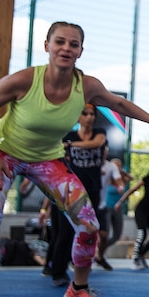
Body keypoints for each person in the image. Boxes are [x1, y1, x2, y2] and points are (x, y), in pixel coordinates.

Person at [0, 21, 149, 297]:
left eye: (73, 44)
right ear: (47, 46)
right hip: (4, 153)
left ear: (81, 50)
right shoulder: (25, 80)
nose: (66, 48)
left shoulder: (86, 86)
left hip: (47, 160)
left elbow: (119, 103)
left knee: (89, 225)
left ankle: (79, 290)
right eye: (59, 42)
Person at [46, 105, 107, 284]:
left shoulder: (99, 133)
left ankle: (80, 270)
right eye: (84, 114)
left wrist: (70, 145)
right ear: (78, 117)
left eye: (92, 114)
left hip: (92, 190)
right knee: (64, 232)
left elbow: (96, 144)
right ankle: (58, 272)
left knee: (88, 230)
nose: (89, 117)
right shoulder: (68, 135)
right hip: (70, 190)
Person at [97, 155, 128, 269]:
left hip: (118, 209)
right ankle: (99, 255)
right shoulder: (107, 175)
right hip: (107, 208)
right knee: (105, 234)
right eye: (116, 166)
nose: (118, 167)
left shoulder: (121, 177)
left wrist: (121, 173)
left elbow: (130, 178)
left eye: (120, 166)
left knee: (116, 236)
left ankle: (100, 251)